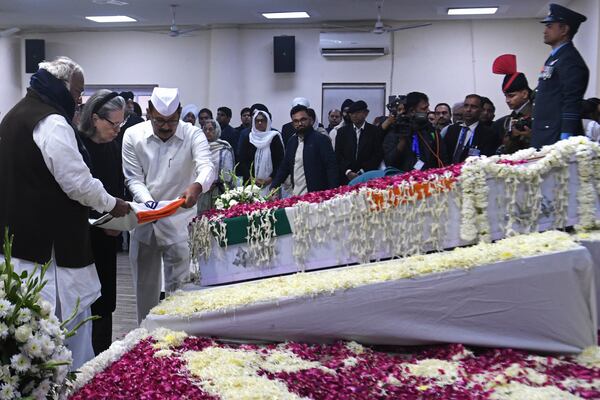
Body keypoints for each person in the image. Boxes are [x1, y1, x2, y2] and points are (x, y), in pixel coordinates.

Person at [0, 57, 130, 369]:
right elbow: (78, 183)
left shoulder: (14, 115)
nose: (79, 100)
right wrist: (114, 204)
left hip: (19, 245)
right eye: (77, 92)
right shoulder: (51, 122)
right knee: (65, 332)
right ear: (61, 86)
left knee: (27, 331)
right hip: (51, 252)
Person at [122, 87, 215, 323]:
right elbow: (133, 178)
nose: (165, 127)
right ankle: (145, 341)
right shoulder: (132, 135)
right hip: (145, 222)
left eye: (171, 121)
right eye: (159, 121)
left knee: (181, 292)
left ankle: (177, 341)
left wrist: (197, 186)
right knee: (145, 291)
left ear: (180, 113)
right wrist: (150, 203)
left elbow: (207, 167)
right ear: (148, 112)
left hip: (180, 223)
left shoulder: (193, 134)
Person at [77, 90, 128, 354]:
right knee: (84, 302)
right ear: (95, 118)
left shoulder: (112, 146)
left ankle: (103, 358)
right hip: (82, 239)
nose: (117, 130)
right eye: (113, 124)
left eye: (121, 124)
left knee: (106, 301)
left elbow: (118, 187)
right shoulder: (78, 146)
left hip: (109, 234)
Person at [531, 3, 589, 148]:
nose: (545, 31)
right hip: (545, 132)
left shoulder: (570, 60)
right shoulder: (555, 58)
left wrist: (566, 136)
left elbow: (571, 101)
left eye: (550, 26)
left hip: (556, 135)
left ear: (564, 29)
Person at [271, 105, 339, 195]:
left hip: (317, 197)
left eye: (303, 119)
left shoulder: (321, 139)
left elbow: (331, 168)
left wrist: (332, 194)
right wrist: (274, 186)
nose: (300, 124)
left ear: (310, 120)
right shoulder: (292, 141)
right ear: (293, 124)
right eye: (296, 121)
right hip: (296, 195)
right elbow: (284, 167)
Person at [383, 92, 447, 172]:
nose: (428, 111)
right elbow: (390, 162)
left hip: (428, 178)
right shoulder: (396, 130)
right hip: (402, 180)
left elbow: (442, 158)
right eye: (424, 109)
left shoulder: (430, 130)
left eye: (428, 107)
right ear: (412, 111)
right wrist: (402, 141)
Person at [492, 54, 534, 154]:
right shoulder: (511, 117)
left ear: (524, 94)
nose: (507, 100)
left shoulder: (536, 113)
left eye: (511, 96)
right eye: (506, 96)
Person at [335, 100, 383, 184]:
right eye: (351, 113)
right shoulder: (342, 132)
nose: (354, 116)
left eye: (357, 112)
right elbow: (338, 155)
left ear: (366, 113)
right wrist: (348, 172)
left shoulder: (374, 131)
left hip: (368, 176)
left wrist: (362, 171)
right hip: (346, 177)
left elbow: (377, 155)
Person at [238, 110, 284, 195]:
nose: (259, 123)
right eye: (257, 120)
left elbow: (280, 162)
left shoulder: (274, 137)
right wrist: (252, 179)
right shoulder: (248, 137)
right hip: (250, 183)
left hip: (271, 184)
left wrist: (270, 179)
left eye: (262, 120)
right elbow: (242, 161)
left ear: (268, 122)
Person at [444, 94, 498, 164]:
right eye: (466, 106)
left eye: (473, 107)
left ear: (481, 110)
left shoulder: (489, 134)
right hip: (448, 172)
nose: (468, 110)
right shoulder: (452, 129)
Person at [197, 119, 235, 213]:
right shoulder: (199, 147)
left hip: (218, 190)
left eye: (211, 129)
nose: (207, 132)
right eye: (205, 129)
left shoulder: (224, 147)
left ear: (216, 130)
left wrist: (216, 182)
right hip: (201, 190)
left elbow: (228, 172)